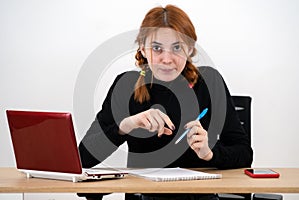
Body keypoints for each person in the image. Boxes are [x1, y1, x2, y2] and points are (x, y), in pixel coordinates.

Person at [78, 4, 253, 200]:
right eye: (156, 48)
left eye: (177, 47)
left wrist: (209, 152)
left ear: (190, 49)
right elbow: (84, 157)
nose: (167, 59)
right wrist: (126, 125)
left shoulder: (209, 82)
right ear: (143, 49)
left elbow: (244, 153)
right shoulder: (126, 86)